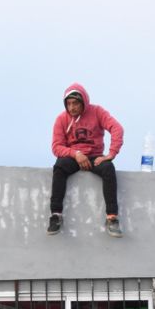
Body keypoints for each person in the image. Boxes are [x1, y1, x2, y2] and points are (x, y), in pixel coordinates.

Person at [47, 83, 124, 237]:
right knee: (59, 166)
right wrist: (75, 154)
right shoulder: (62, 119)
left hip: (95, 156)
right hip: (74, 156)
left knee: (108, 168)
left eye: (75, 103)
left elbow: (117, 128)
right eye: (68, 104)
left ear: (83, 102)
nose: (72, 108)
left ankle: (112, 218)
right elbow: (56, 147)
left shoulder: (97, 112)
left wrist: (111, 153)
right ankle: (56, 215)